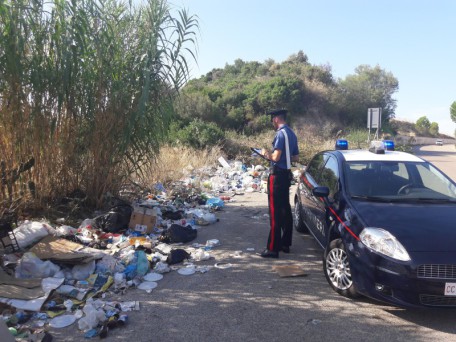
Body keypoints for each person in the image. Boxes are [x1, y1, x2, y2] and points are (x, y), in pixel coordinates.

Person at [260, 109, 299, 258]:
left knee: (275, 212)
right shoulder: (292, 133)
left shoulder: (280, 134)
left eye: (272, 119)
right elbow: (295, 157)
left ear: (276, 119)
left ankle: (272, 248)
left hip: (277, 176)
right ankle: (285, 243)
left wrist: (265, 154)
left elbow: (275, 157)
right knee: (285, 210)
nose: (272, 122)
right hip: (286, 175)